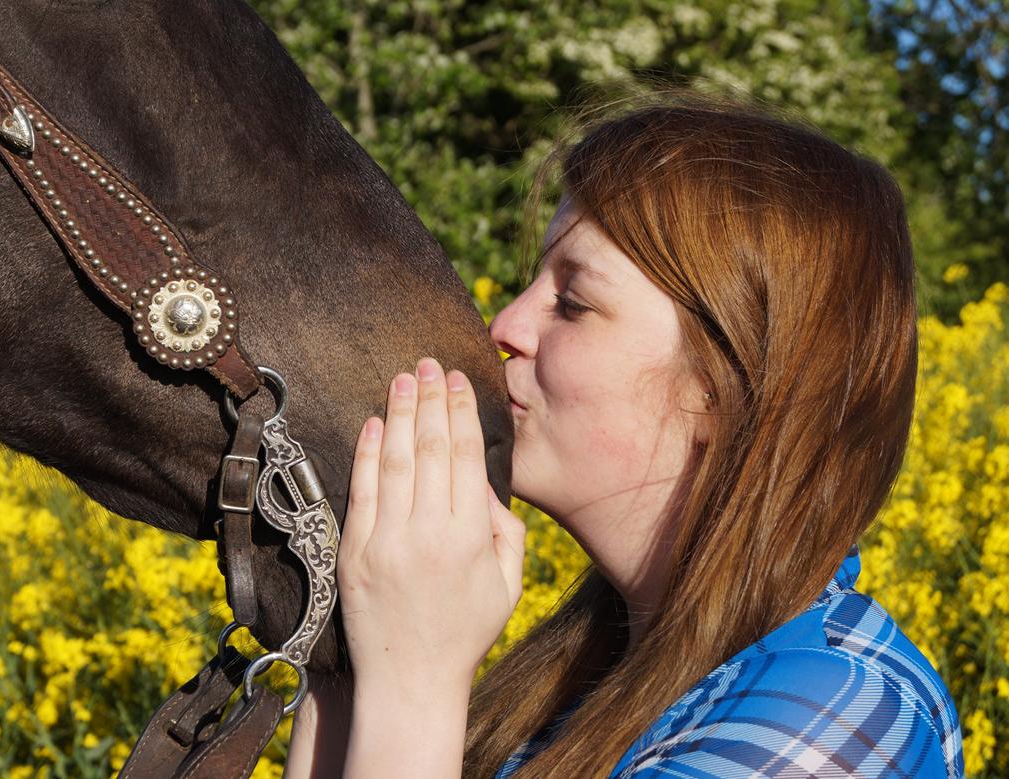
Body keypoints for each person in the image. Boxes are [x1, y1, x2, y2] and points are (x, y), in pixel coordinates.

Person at [283, 93, 965, 778]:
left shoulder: (838, 717)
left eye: (573, 303)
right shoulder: (586, 685)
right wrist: (347, 665)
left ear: (720, 388)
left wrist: (413, 675)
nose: (505, 327)